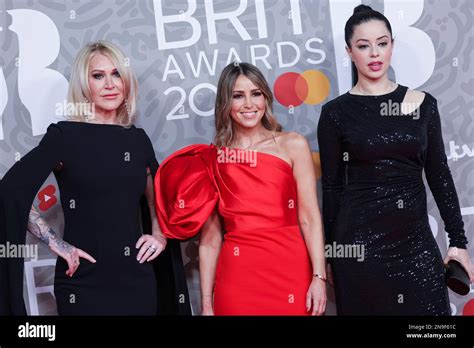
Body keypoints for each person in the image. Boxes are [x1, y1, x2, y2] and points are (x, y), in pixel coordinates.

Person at [0, 41, 190, 315]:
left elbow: (156, 200)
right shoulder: (64, 136)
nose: (110, 84)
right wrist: (58, 244)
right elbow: (11, 191)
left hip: (137, 280)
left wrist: (159, 236)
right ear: (83, 84)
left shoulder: (136, 140)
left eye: (116, 74)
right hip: (82, 283)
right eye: (98, 76)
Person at [317, 5, 473, 315]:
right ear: (350, 52)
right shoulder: (335, 114)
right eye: (363, 46)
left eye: (382, 42)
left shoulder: (421, 104)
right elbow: (332, 189)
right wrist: (331, 256)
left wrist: (458, 241)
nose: (374, 53)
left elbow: (439, 175)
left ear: (392, 46)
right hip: (360, 252)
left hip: (416, 247)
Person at [155, 62, 327, 315]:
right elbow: (211, 240)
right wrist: (206, 305)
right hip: (237, 279)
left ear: (265, 98)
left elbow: (310, 218)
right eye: (238, 96)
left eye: (255, 94)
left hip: (291, 272)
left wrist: (319, 277)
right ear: (226, 103)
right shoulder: (214, 160)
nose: (249, 104)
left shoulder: (293, 145)